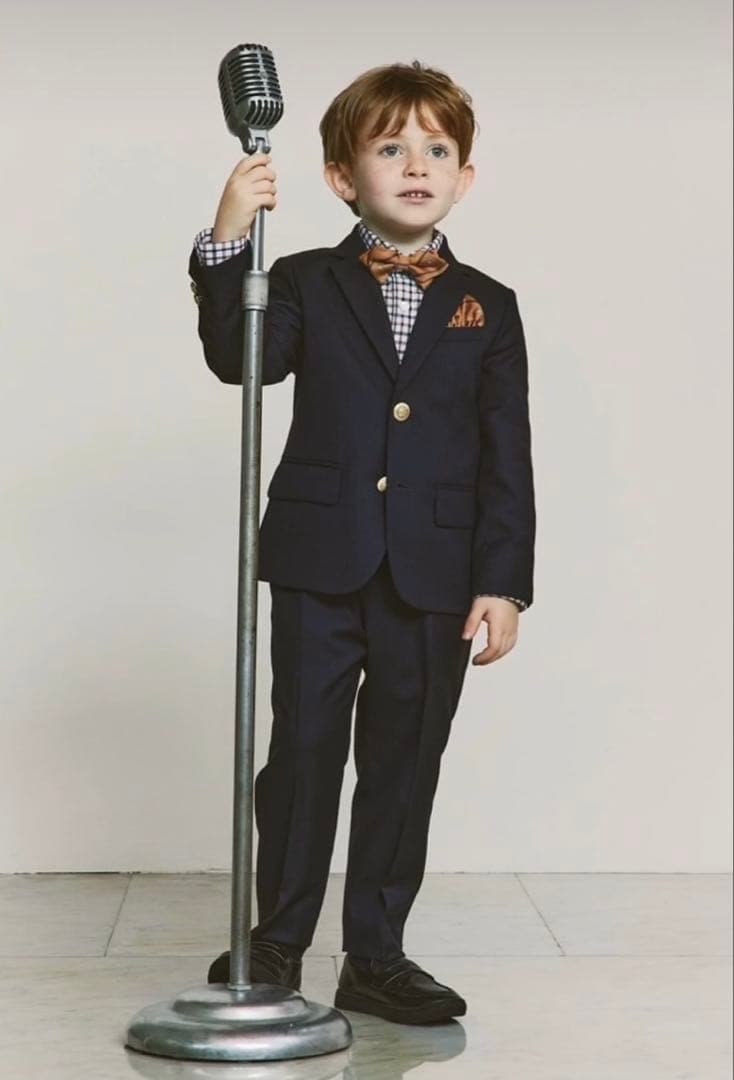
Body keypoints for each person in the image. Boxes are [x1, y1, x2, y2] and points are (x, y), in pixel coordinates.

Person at [187, 60, 536, 1026]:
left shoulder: (491, 303)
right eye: (391, 148)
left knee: (405, 760)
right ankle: (278, 938)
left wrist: (503, 581)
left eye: (437, 150)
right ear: (343, 177)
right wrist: (227, 240)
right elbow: (239, 362)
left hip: (437, 572)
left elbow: (507, 451)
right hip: (319, 558)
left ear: (465, 176)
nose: (416, 165)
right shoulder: (302, 278)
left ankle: (375, 955)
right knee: (302, 752)